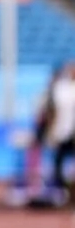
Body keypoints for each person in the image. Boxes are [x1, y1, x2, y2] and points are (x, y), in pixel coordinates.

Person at [46, 60, 75, 194]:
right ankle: (63, 190)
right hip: (62, 130)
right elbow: (53, 111)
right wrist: (52, 130)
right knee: (58, 161)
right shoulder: (61, 88)